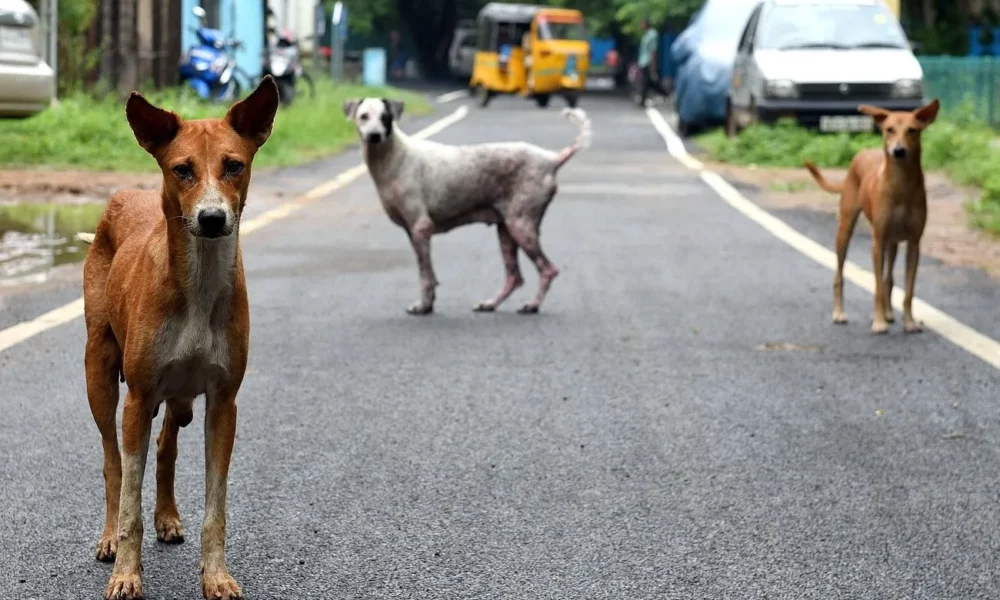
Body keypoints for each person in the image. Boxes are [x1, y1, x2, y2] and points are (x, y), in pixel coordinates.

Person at [637, 18, 667, 104]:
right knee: (649, 81)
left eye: (642, 24)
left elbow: (653, 51)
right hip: (643, 61)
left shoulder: (653, 34)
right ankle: (664, 93)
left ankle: (643, 99)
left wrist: (652, 64)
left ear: (647, 24)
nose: (641, 26)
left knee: (646, 81)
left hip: (648, 61)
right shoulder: (646, 35)